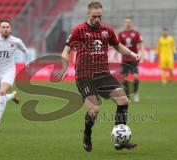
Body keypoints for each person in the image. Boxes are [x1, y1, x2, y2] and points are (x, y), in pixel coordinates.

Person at [56, 1, 140, 152]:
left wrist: (132, 54)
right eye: (94, 17)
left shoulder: (107, 30)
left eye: (100, 16)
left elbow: (118, 45)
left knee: (123, 100)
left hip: (103, 74)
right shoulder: (79, 30)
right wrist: (64, 67)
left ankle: (119, 140)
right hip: (85, 76)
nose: (97, 20)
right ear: (88, 15)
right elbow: (66, 50)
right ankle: (87, 134)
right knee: (94, 109)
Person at [0, 19, 29, 130]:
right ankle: (12, 95)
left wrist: (26, 64)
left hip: (9, 70)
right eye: (3, 27)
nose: (5, 29)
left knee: (2, 92)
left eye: (7, 27)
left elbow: (25, 51)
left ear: (10, 29)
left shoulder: (16, 41)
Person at [118, 17, 144, 103]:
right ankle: (127, 94)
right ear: (125, 23)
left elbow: (140, 44)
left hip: (133, 59)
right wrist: (116, 55)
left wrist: (142, 55)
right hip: (125, 58)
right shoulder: (121, 34)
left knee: (136, 77)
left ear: (131, 23)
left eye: (129, 22)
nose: (128, 23)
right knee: (124, 79)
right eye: (126, 22)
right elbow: (118, 45)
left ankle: (136, 92)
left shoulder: (136, 33)